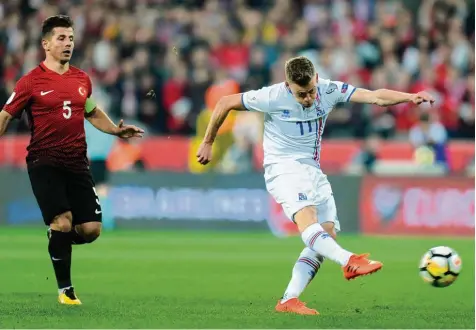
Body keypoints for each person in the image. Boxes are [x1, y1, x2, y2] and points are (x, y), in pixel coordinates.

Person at [197, 56, 434, 315]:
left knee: (327, 233)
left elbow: (375, 96)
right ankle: (349, 260)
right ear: (288, 86)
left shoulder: (329, 90)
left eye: (310, 91)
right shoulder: (271, 96)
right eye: (301, 94)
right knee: (308, 219)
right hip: (283, 168)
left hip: (312, 170)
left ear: (317, 80)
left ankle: (289, 299)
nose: (308, 98)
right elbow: (224, 102)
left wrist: (410, 96)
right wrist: (208, 141)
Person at [0, 15, 144, 305]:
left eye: (71, 39)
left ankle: (56, 238)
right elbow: (4, 115)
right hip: (44, 160)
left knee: (91, 230)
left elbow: (90, 111)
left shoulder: (81, 79)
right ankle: (66, 290)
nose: (68, 44)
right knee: (63, 222)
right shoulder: (31, 82)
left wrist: (115, 130)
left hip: (77, 162)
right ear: (46, 44)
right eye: (61, 39)